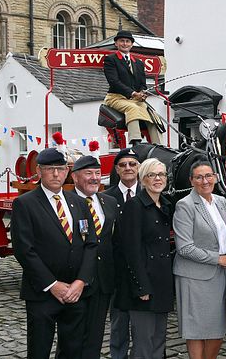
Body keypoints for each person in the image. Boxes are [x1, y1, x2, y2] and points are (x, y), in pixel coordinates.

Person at [10, 147, 97, 359]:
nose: (56, 174)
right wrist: (52, 285)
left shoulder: (78, 202)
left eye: (60, 169)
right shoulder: (25, 204)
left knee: (73, 350)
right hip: (42, 293)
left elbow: (91, 244)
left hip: (76, 293)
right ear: (39, 172)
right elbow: (24, 250)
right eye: (50, 169)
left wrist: (81, 281)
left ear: (67, 171)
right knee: (39, 350)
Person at [114, 158, 173, 359]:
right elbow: (131, 250)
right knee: (143, 343)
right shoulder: (134, 206)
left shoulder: (165, 205)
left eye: (161, 175)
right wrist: (141, 286)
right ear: (143, 179)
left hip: (162, 282)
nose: (158, 179)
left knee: (159, 340)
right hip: (144, 285)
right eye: (152, 175)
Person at [174, 160, 226, 359]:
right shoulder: (185, 205)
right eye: (198, 177)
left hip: (218, 275)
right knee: (196, 330)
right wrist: (218, 259)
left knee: (217, 330)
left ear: (215, 177)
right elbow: (184, 247)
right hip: (194, 276)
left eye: (208, 176)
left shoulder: (220, 201)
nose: (204, 181)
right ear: (191, 181)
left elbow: (225, 237)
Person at [70, 155, 120, 359]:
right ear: (74, 177)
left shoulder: (109, 201)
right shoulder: (66, 202)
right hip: (75, 280)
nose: (94, 178)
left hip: (102, 281)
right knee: (71, 338)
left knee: (95, 337)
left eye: (98, 174)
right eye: (88, 173)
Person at [104, 147, 140, 359]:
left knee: (142, 326)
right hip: (116, 271)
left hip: (143, 271)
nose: (128, 168)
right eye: (123, 164)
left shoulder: (150, 194)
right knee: (118, 324)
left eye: (132, 164)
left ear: (139, 168)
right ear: (117, 169)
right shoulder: (106, 198)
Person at [103, 30, 162, 146]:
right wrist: (133, 93)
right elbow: (114, 82)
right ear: (116, 43)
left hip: (135, 99)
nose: (125, 44)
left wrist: (143, 93)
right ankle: (136, 142)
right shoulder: (111, 60)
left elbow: (142, 83)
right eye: (122, 41)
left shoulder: (139, 63)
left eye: (127, 41)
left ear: (131, 44)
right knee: (132, 108)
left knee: (153, 114)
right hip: (116, 98)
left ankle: (158, 145)